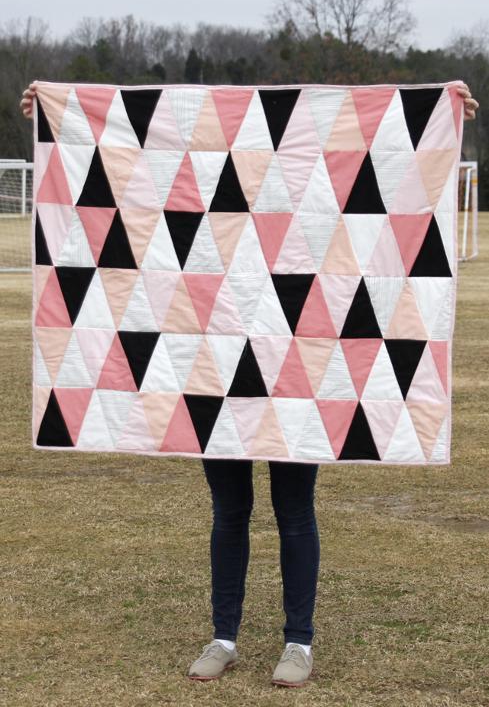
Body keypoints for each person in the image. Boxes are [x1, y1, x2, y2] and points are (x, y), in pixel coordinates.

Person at [20, 79, 479, 688]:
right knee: (229, 511)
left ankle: (299, 643)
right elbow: (149, 190)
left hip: (297, 367)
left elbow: (359, 190)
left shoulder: (302, 169)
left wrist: (440, 108)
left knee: (294, 511)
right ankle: (224, 634)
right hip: (214, 360)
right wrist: (58, 111)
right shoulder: (212, 177)